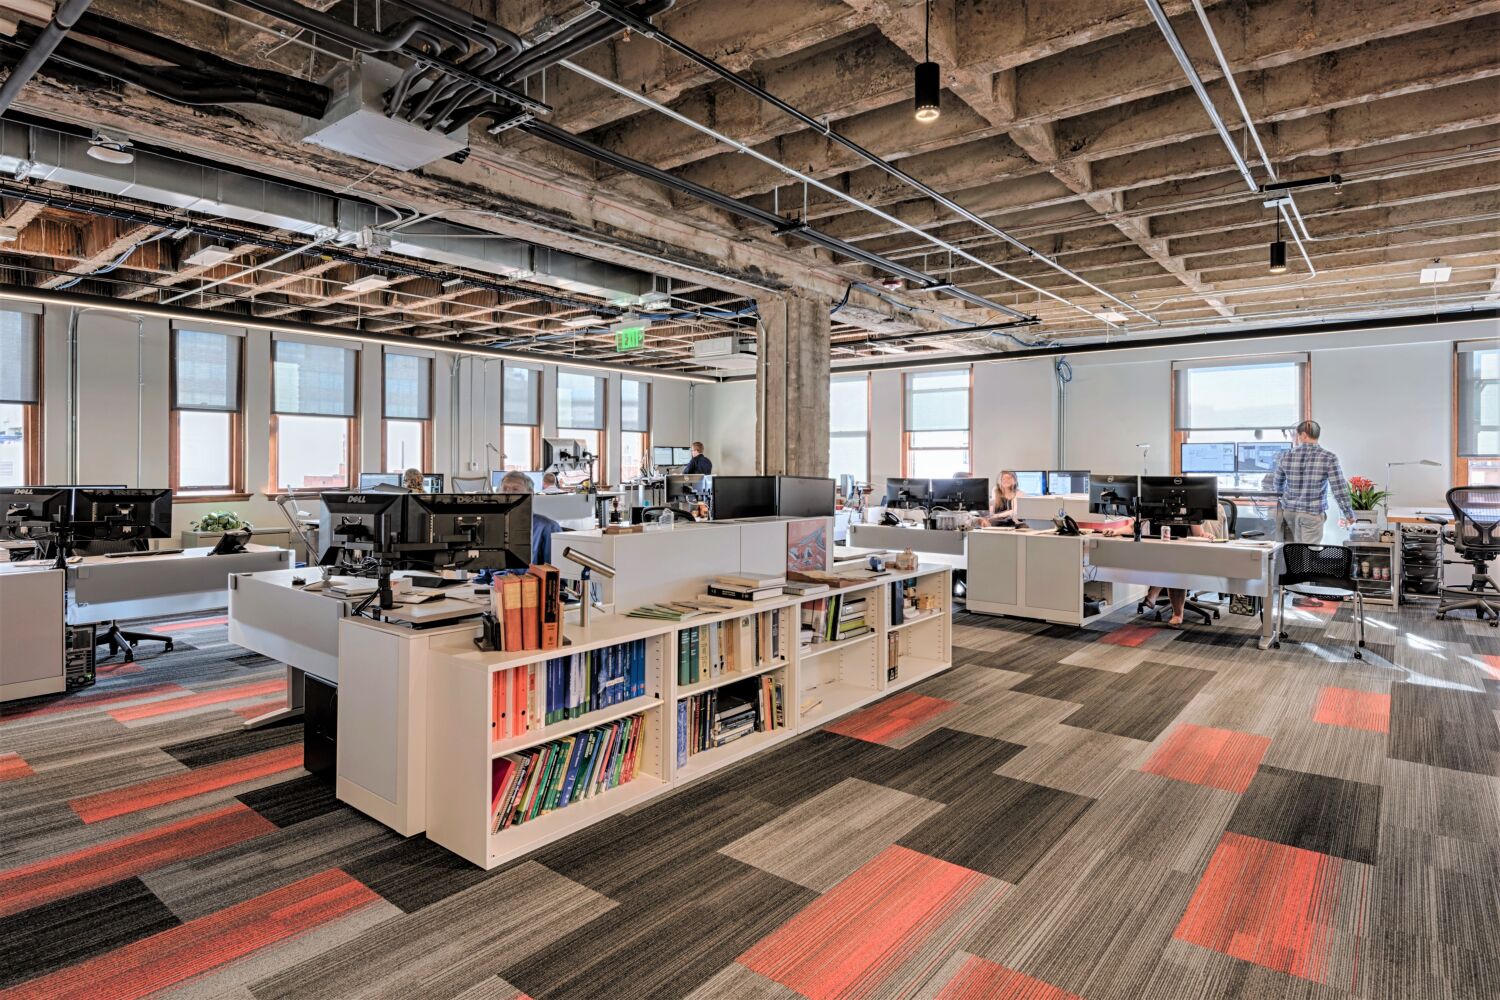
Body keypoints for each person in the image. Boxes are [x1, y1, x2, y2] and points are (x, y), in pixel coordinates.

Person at [1270, 420, 1354, 542]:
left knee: (1294, 551)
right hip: (1312, 513)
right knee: (1309, 553)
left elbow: (1277, 485)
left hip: (1289, 512)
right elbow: (1339, 489)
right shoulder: (1328, 457)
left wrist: (1284, 499)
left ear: (1303, 435)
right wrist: (1348, 514)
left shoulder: (1285, 456)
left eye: (1298, 435)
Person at [497, 470, 561, 565]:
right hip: (494, 580)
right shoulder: (494, 526)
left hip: (529, 579)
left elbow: (554, 574)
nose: (508, 493)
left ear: (531, 494)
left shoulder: (548, 528)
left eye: (515, 489)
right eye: (505, 488)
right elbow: (486, 572)